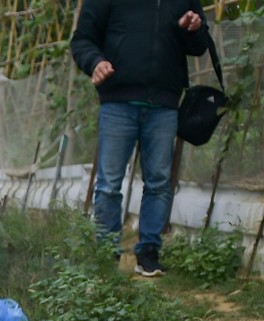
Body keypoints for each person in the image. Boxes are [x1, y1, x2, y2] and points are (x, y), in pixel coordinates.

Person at [70, 0, 212, 277]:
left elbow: (198, 46)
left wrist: (194, 29)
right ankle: (106, 254)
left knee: (159, 182)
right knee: (109, 183)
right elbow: (82, 40)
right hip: (117, 102)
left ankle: (148, 253)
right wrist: (95, 62)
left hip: (164, 103)